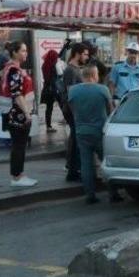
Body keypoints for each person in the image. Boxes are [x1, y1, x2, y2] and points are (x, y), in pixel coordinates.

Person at [67, 64, 115, 203]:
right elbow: (110, 111)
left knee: (86, 164)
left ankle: (90, 195)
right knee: (106, 162)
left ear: (83, 76)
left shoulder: (73, 91)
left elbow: (72, 109)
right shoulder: (103, 90)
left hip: (81, 131)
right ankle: (113, 193)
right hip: (100, 131)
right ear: (95, 75)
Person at [0, 41, 38, 187]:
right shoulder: (14, 70)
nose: (25, 53)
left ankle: (19, 174)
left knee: (18, 145)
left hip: (13, 113)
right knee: (19, 146)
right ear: (14, 52)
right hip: (17, 114)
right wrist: (27, 114)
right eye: (23, 50)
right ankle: (17, 177)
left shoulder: (9, 68)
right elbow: (17, 94)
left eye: (26, 50)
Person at [60, 43, 90, 182]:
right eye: (85, 54)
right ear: (77, 54)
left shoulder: (77, 69)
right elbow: (70, 93)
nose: (87, 56)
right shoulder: (71, 70)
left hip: (77, 109)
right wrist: (76, 111)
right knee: (74, 139)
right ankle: (72, 170)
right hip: (73, 110)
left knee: (76, 139)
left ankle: (74, 168)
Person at [40, 48, 60, 133]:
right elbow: (52, 79)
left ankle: (48, 125)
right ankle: (49, 126)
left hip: (47, 89)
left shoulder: (45, 65)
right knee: (59, 105)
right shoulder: (52, 66)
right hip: (52, 89)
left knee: (49, 108)